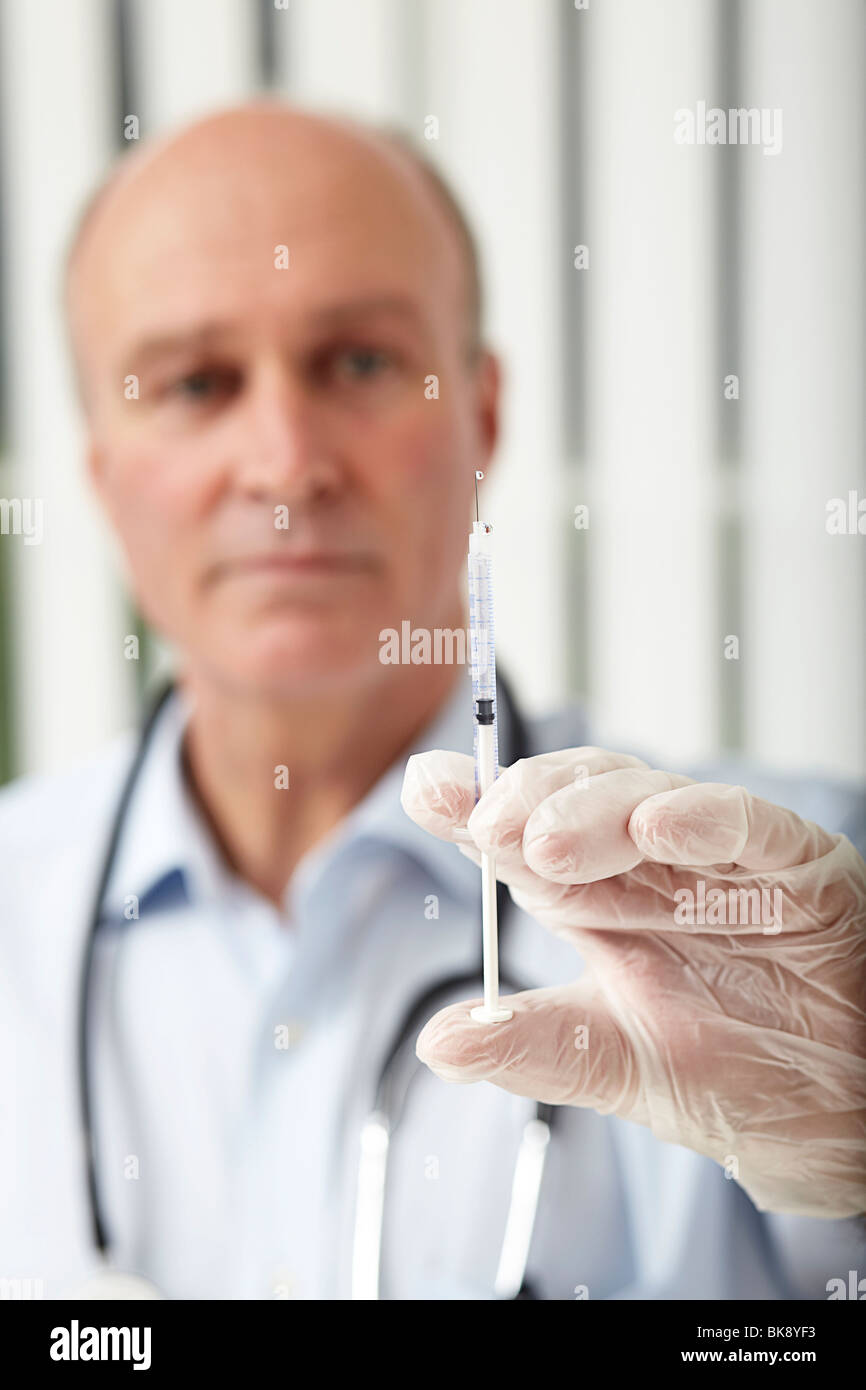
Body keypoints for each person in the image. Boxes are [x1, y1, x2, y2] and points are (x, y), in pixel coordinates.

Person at [1, 100, 863, 1301]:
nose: (286, 463)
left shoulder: (789, 914)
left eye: (358, 361)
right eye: (196, 383)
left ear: (484, 417)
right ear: (99, 474)